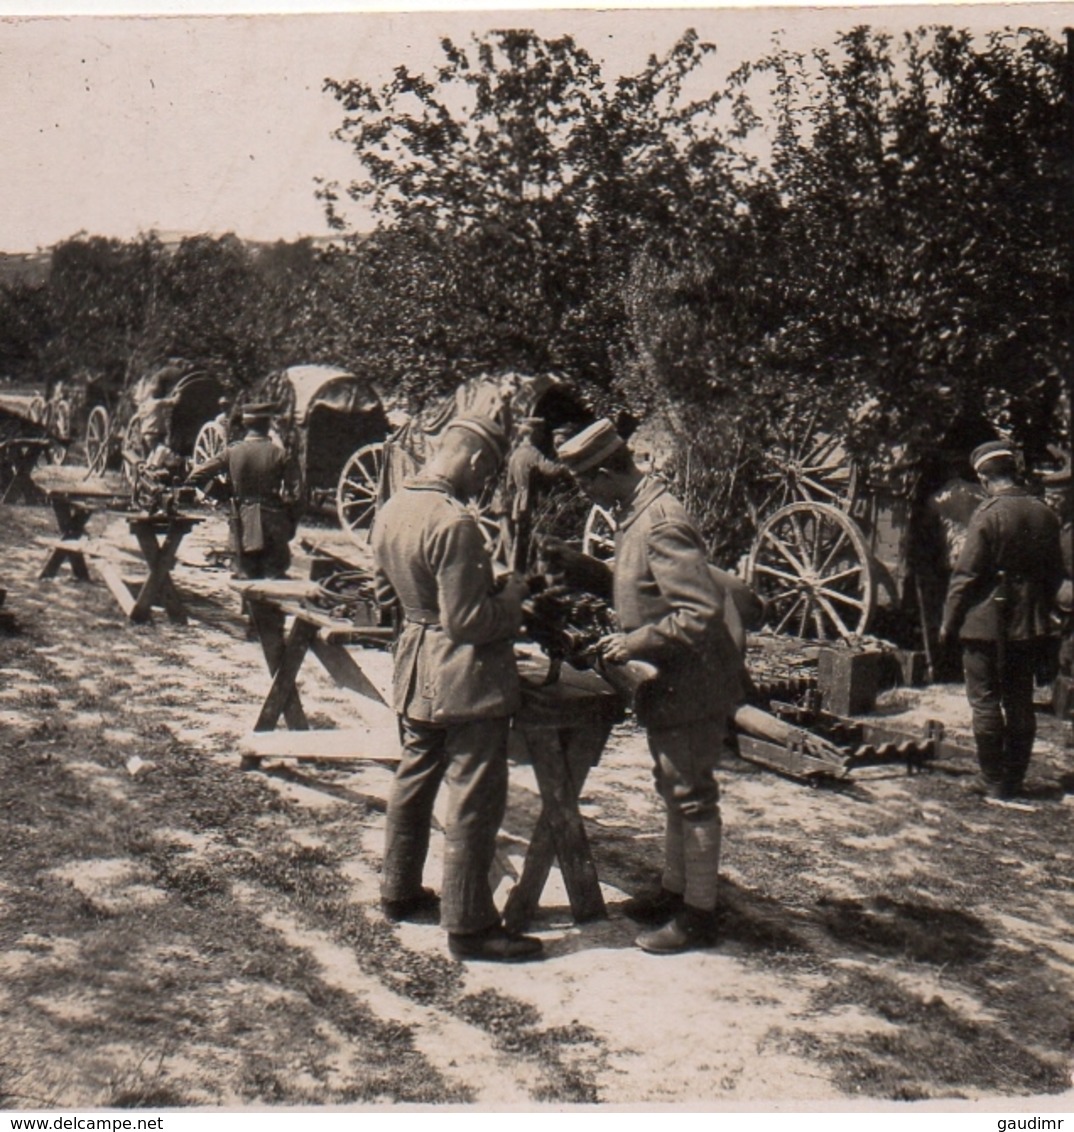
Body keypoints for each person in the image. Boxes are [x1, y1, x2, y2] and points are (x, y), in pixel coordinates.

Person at [558, 419, 745, 954]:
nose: (586, 493)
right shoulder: (638, 513)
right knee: (672, 786)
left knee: (691, 795)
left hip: (691, 680)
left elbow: (700, 614)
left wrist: (635, 642)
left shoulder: (661, 522)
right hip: (671, 680)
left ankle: (699, 915)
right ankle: (673, 889)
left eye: (586, 483)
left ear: (604, 471)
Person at [372, 415, 544, 964]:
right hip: (465, 681)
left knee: (414, 780)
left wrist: (466, 591)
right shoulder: (455, 521)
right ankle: (470, 926)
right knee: (473, 798)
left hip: (417, 670)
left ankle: (398, 891)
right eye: (486, 474)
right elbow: (468, 622)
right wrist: (511, 601)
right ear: (473, 461)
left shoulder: (393, 507)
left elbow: (387, 592)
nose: (484, 485)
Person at [939, 439, 1063, 802]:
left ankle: (993, 780)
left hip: (986, 623)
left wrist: (949, 621)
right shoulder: (1044, 513)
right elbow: (1055, 572)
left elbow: (966, 575)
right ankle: (1014, 779)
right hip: (1029, 623)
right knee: (1020, 700)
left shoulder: (988, 513)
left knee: (986, 700)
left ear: (984, 477)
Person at [187, 402, 300, 579]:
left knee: (245, 580)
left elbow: (196, 476)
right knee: (275, 580)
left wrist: (222, 493)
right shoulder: (281, 455)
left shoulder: (232, 452)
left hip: (241, 527)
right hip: (274, 529)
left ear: (245, 424)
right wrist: (290, 522)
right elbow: (297, 496)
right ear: (268, 424)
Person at [505, 417, 568, 569]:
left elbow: (509, 484)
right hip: (533, 502)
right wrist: (566, 462)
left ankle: (516, 570)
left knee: (520, 539)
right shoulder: (533, 454)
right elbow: (551, 471)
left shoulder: (515, 454)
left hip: (518, 503)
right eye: (540, 432)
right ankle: (534, 571)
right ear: (533, 434)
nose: (542, 437)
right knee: (536, 539)